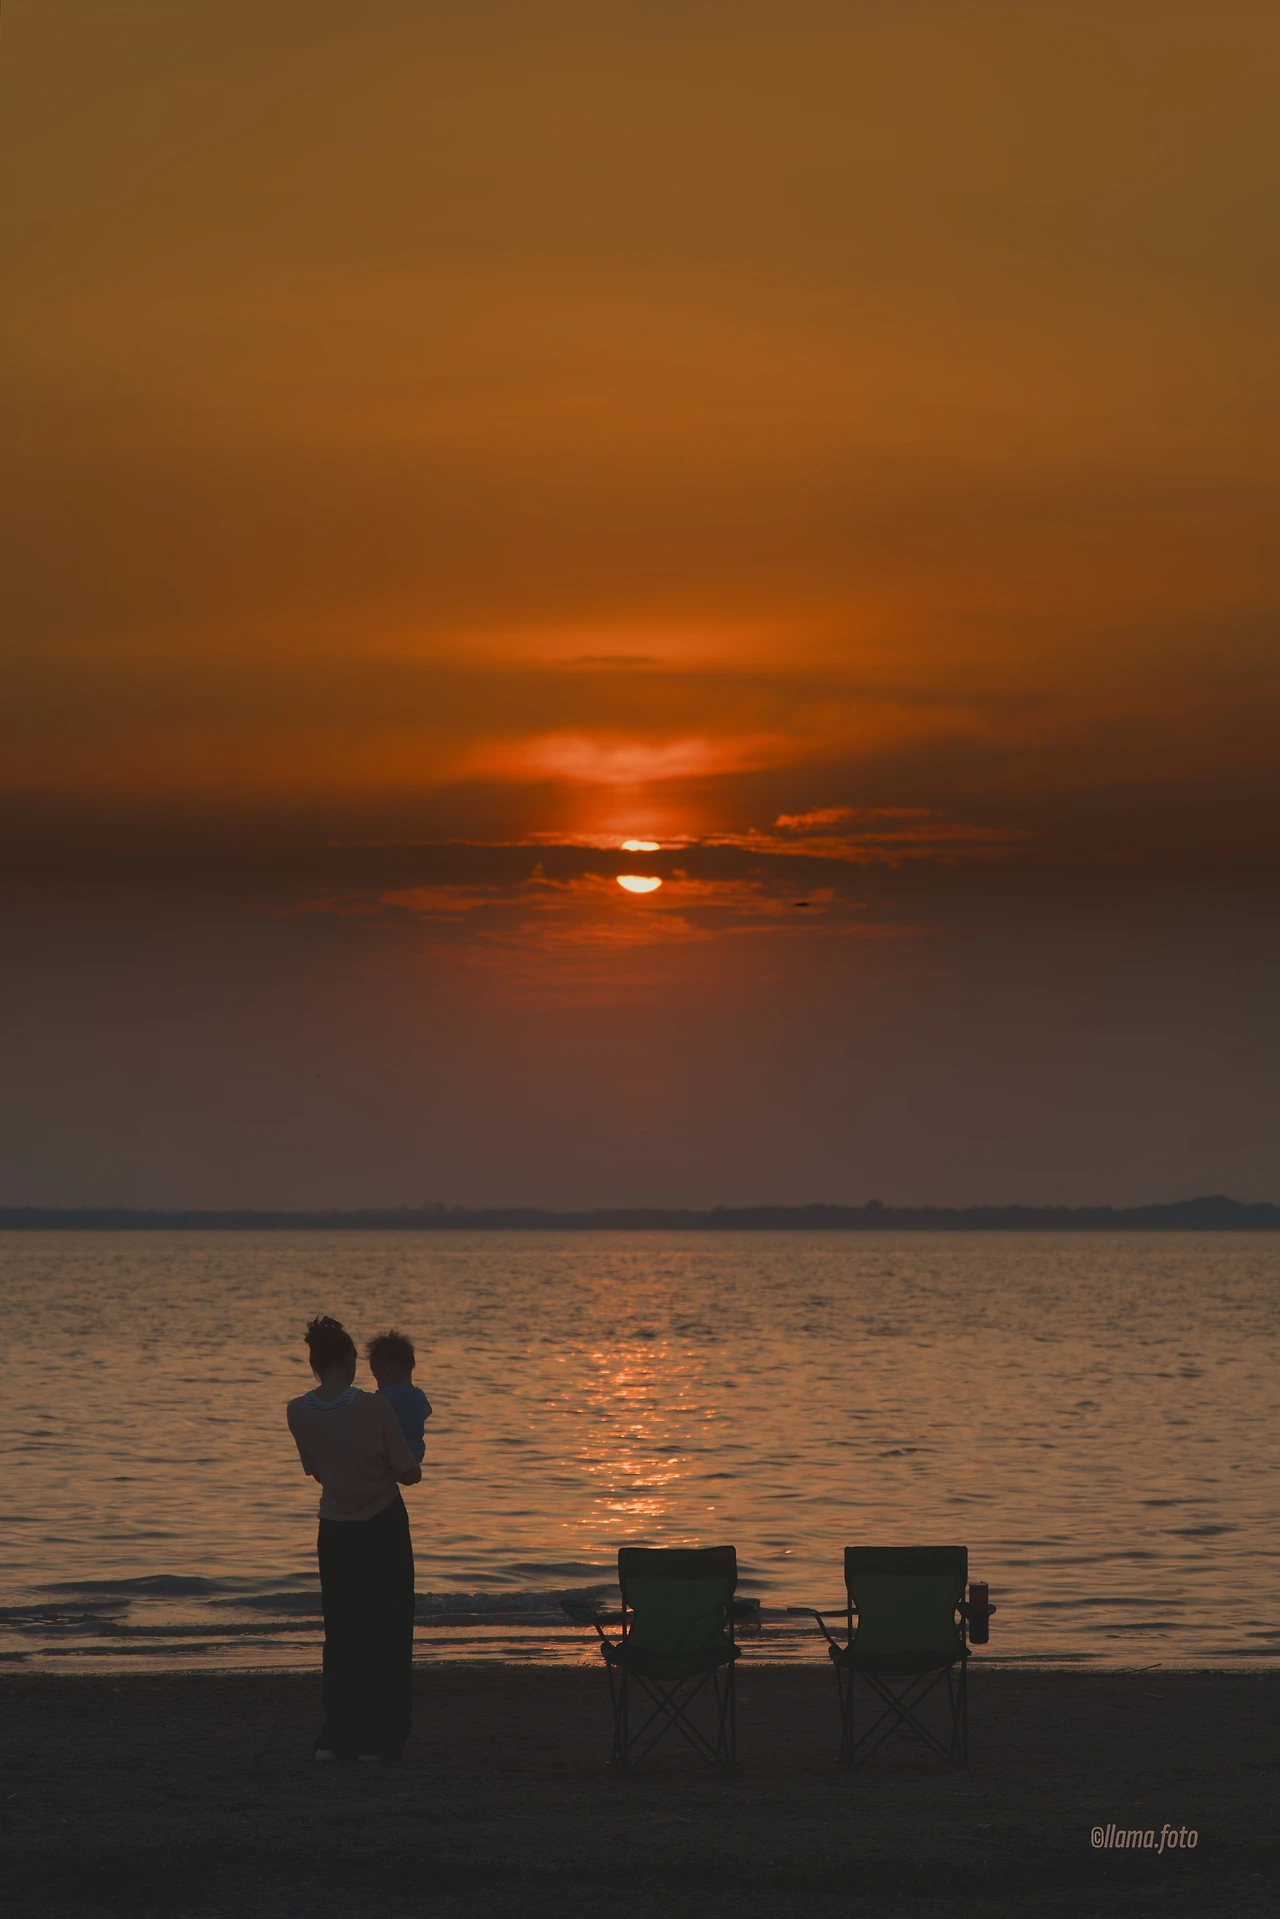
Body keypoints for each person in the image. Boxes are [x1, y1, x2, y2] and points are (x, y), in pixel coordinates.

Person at [287, 1314, 421, 1762]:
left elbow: (315, 1470)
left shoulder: (297, 1410)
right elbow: (408, 1473)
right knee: (389, 1631)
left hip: (334, 1529)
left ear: (315, 1363)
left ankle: (337, 1734)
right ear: (349, 1359)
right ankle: (382, 1739)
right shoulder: (375, 1407)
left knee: (341, 1633)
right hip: (382, 1525)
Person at [366, 1328, 432, 1463]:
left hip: (391, 1457)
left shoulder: (383, 1398)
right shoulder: (420, 1396)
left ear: (386, 1373)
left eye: (376, 1377)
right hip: (416, 1455)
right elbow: (426, 1412)